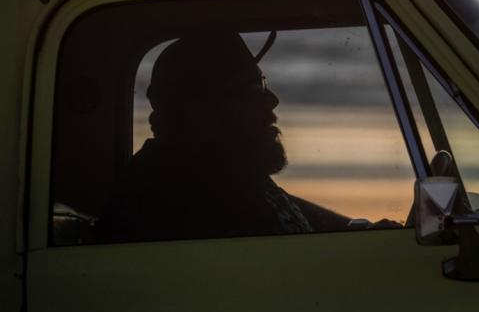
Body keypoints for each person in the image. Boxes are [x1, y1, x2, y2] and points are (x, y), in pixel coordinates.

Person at [96, 30, 388, 243]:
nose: (271, 100)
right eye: (252, 89)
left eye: (262, 83)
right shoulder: (176, 197)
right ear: (199, 111)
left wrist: (359, 231)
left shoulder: (222, 172)